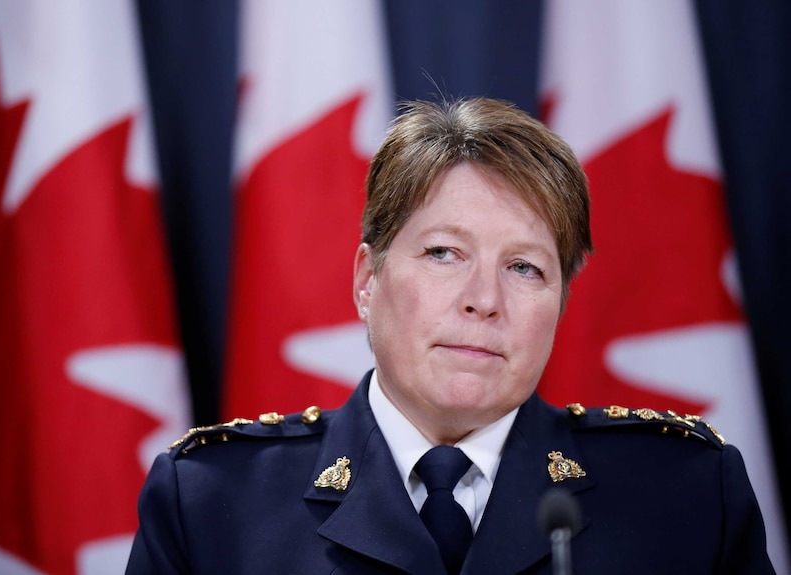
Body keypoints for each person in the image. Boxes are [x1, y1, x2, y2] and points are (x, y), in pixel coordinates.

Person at [126, 97, 774, 574]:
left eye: (525, 268)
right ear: (366, 279)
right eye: (443, 253)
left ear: (562, 300)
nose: (484, 300)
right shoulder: (212, 506)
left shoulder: (684, 499)